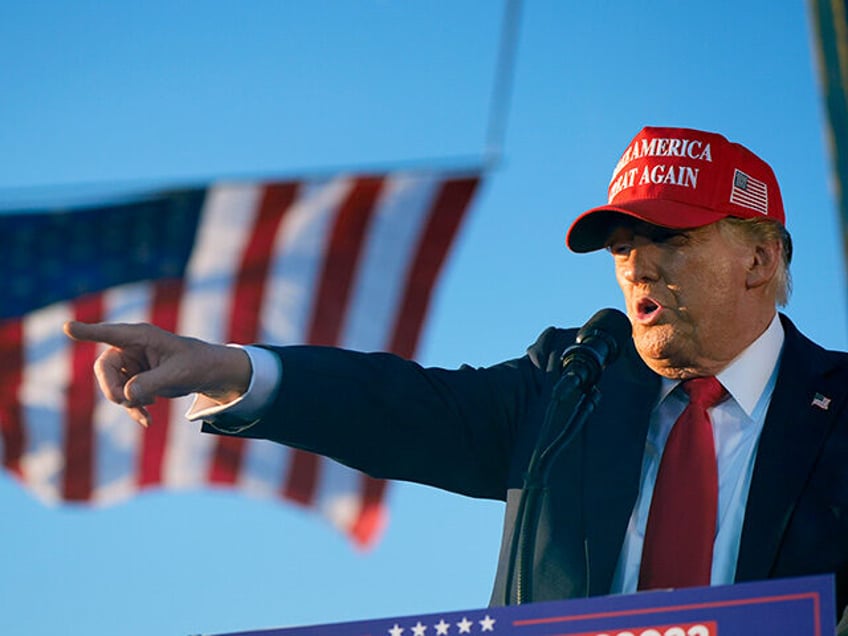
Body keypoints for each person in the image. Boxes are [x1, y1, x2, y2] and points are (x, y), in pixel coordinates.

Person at [64, 126, 848, 625]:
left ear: (760, 258)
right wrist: (232, 368)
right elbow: (402, 408)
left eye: (670, 239)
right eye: (620, 246)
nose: (638, 265)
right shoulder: (573, 384)